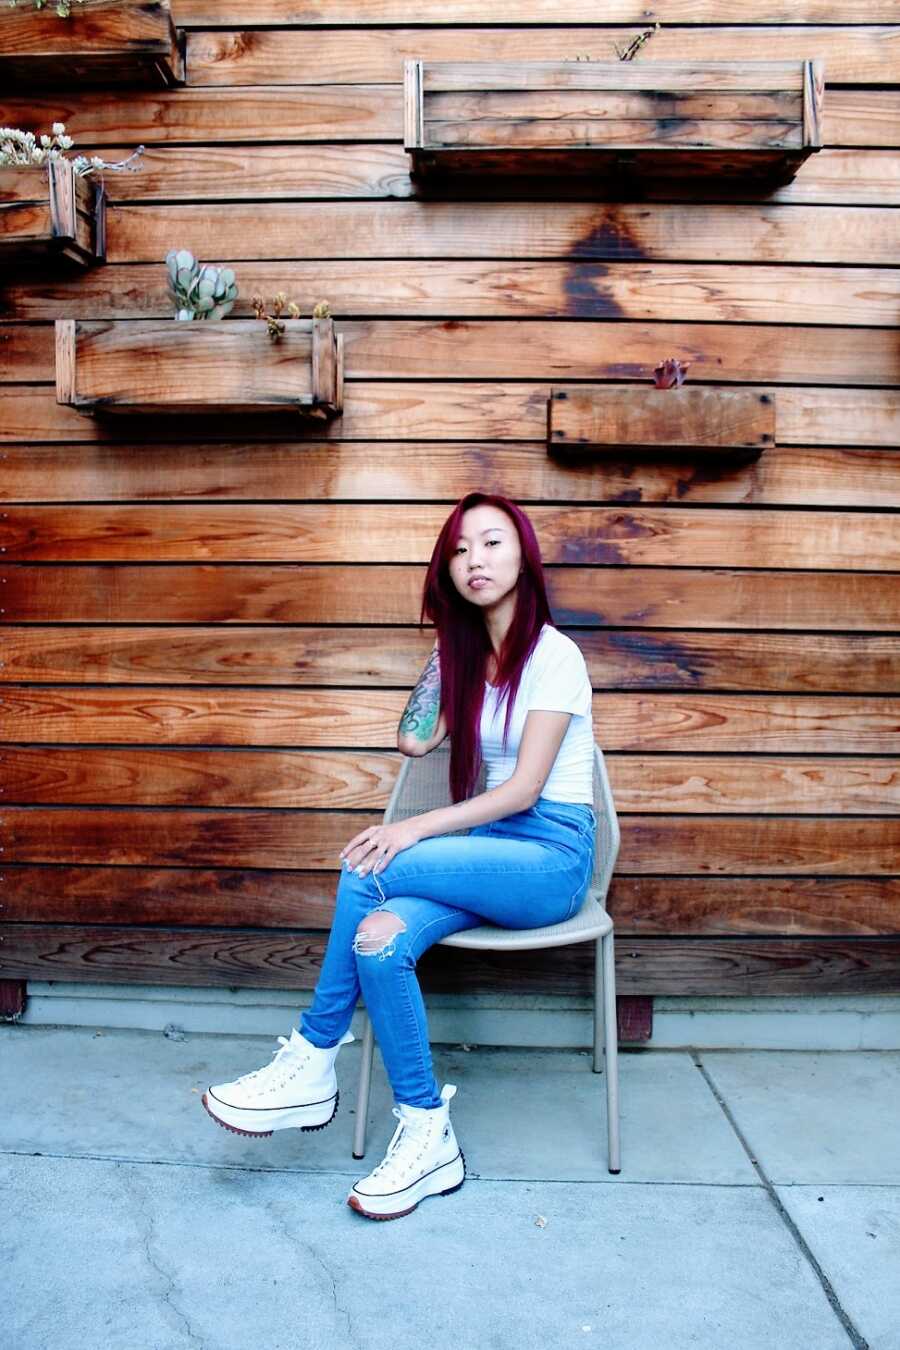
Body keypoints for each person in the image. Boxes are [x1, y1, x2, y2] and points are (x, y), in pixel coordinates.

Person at [202, 491, 596, 1221]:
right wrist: (454, 647)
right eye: (459, 550)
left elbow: (523, 790)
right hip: (490, 856)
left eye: (492, 544)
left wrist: (415, 831)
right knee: (378, 943)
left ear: (525, 558)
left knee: (370, 864)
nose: (474, 560)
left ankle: (315, 1058)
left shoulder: (556, 656)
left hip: (551, 858)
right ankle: (427, 1135)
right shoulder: (473, 660)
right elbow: (415, 740)